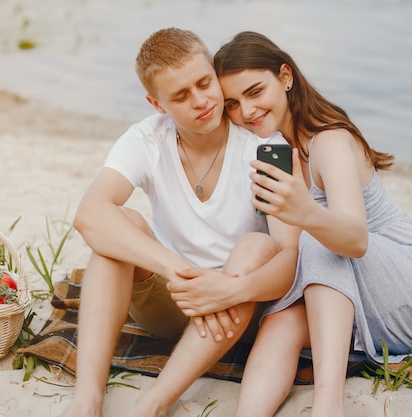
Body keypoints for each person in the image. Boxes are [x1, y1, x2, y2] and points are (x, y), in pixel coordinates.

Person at [179, 30, 412, 417]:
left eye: (255, 91)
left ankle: (329, 406)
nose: (246, 111)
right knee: (281, 321)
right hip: (347, 295)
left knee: (318, 242)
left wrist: (306, 213)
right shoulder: (271, 155)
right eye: (232, 103)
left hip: (409, 290)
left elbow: (356, 240)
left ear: (286, 77)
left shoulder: (330, 141)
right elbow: (289, 252)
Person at [64, 28, 300, 417]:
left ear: (213, 71)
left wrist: (225, 288)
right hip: (175, 298)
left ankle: (152, 404)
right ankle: (87, 399)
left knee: (258, 246)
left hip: (239, 305)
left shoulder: (264, 148)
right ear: (157, 103)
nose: (201, 101)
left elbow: (289, 261)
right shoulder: (146, 139)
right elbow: (89, 214)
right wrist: (182, 271)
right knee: (118, 224)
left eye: (205, 83)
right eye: (180, 96)